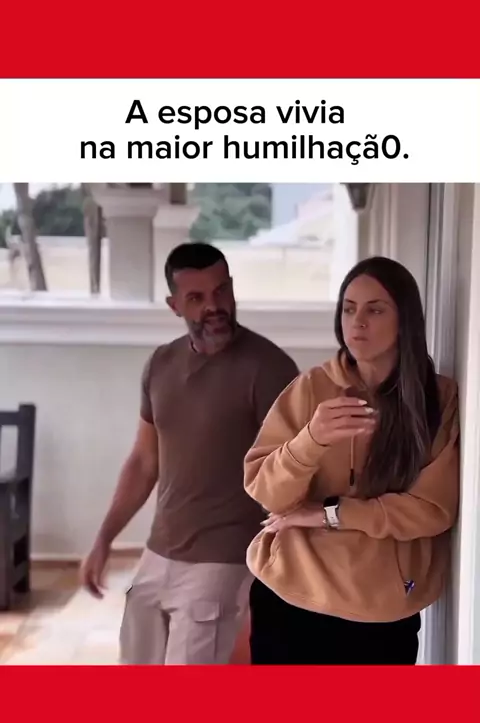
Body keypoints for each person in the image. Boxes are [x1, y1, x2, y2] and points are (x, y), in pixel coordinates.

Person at [80, 242, 299, 664]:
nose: (213, 306)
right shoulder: (160, 365)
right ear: (174, 305)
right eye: (196, 298)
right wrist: (103, 538)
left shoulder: (269, 368)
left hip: (223, 560)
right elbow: (144, 461)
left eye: (221, 291)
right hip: (159, 552)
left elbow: (291, 470)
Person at [242, 256, 460, 665]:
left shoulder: (438, 399)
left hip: (382, 611)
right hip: (291, 597)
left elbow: (432, 510)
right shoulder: (311, 388)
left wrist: (329, 513)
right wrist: (311, 440)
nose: (357, 322)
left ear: (405, 321)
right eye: (348, 309)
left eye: (375, 310)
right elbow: (267, 493)